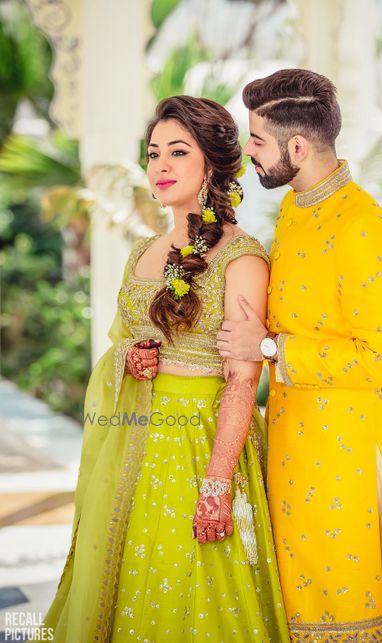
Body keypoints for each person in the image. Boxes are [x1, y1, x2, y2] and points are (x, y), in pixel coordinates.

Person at [41, 96, 290, 642]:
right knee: (126, 585)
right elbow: (123, 341)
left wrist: (217, 486)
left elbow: (244, 379)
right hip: (134, 445)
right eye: (154, 153)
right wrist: (132, 358)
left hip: (202, 446)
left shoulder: (241, 258)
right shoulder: (143, 252)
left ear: (214, 165)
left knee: (190, 591)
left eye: (179, 152)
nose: (161, 166)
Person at [217, 69, 382, 641]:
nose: (249, 154)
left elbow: (381, 358)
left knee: (345, 614)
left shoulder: (364, 227)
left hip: (346, 463)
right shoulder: (297, 208)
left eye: (257, 141)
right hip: (291, 445)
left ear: (298, 147)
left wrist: (267, 346)